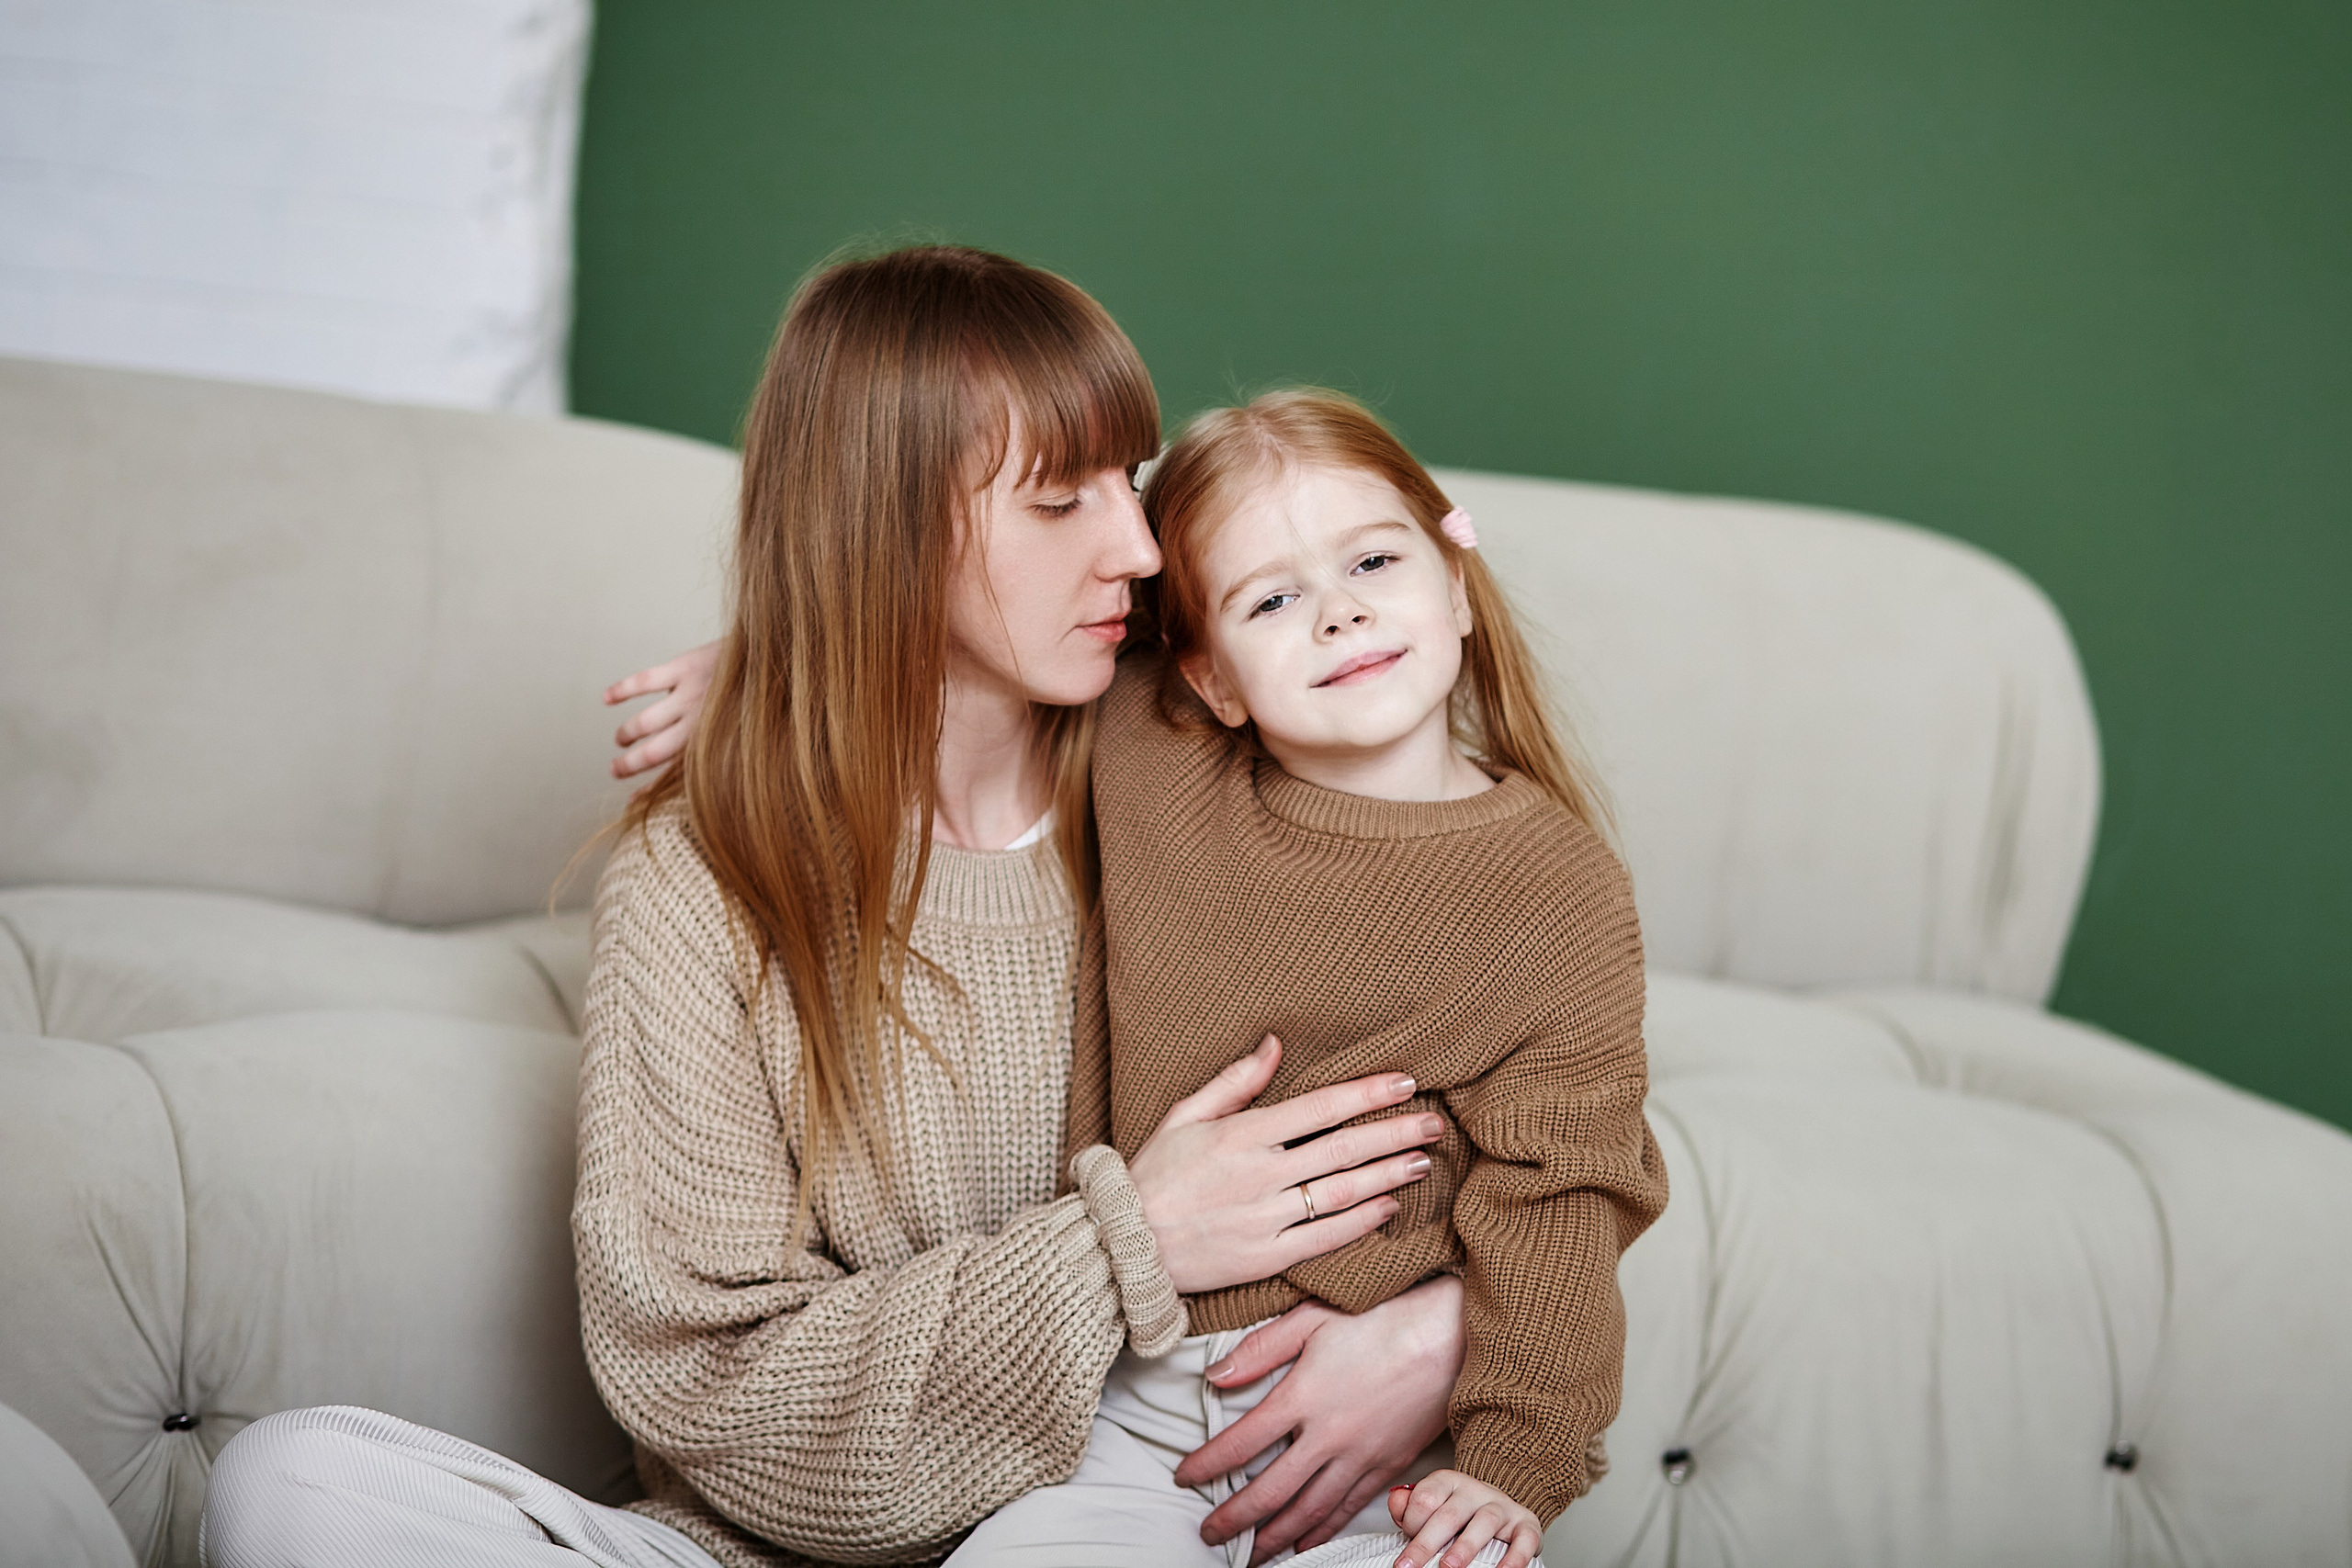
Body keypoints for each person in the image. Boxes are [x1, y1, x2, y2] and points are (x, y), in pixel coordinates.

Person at [199, 247, 1472, 1568]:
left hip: (1161, 1521)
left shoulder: (1215, 769)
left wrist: (1440, 1335)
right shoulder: (699, 885)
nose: (1139, 546)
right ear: (886, 526)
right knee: (294, 1484)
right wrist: (1121, 1244)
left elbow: (1539, 1070)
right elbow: (707, 1389)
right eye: (1057, 502)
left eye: (1131, 481)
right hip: (783, 1551)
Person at [954, 389, 1670, 1568]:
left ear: (1454, 582)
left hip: (1393, 1446)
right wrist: (756, 668)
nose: (1339, 615)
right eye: (1273, 599)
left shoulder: (1559, 888)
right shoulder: (1160, 753)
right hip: (1130, 1412)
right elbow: (1010, 625)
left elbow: (1565, 1195)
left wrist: (1512, 1472)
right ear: (1211, 677)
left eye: (1374, 562)